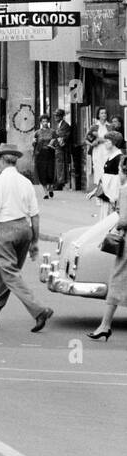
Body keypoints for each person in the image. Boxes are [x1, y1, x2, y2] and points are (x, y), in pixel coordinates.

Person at [0, 142, 54, 332]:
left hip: (5, 230)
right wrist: (34, 242)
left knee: (9, 274)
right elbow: (35, 216)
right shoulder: (26, 183)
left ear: (1, 160)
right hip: (25, 229)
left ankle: (39, 310)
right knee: (4, 272)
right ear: (14, 161)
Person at [89, 178, 127, 341]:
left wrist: (116, 225)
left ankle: (105, 325)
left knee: (117, 280)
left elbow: (125, 220)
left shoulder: (125, 189)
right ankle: (105, 325)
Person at [33, 113, 57, 199]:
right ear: (40, 122)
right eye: (43, 121)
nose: (45, 123)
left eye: (46, 121)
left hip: (50, 153)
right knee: (42, 172)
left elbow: (56, 142)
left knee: (50, 172)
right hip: (40, 154)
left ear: (48, 122)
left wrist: (53, 142)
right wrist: (34, 142)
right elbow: (34, 144)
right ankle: (45, 193)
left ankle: (50, 187)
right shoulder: (37, 133)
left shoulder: (52, 131)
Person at [88, 107, 111, 188]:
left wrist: (102, 140)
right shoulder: (94, 127)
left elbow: (114, 139)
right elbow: (87, 139)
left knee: (107, 169)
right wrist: (93, 143)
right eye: (101, 113)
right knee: (98, 169)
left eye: (105, 113)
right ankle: (99, 191)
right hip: (97, 151)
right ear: (98, 115)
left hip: (107, 150)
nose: (104, 114)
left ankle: (107, 189)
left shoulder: (110, 126)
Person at [52, 108, 71, 191]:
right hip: (58, 148)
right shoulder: (60, 125)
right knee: (59, 165)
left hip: (62, 149)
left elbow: (63, 136)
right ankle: (59, 182)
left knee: (61, 166)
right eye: (55, 115)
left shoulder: (65, 125)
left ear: (61, 116)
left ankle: (60, 183)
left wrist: (57, 138)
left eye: (57, 115)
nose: (55, 117)